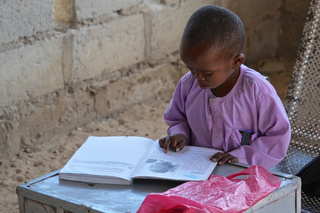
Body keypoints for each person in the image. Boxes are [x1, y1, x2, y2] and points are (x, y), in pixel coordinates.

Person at [158, 5, 291, 170]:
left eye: (207, 72)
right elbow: (177, 118)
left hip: (243, 172)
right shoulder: (188, 84)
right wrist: (179, 134)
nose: (197, 77)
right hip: (195, 170)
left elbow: (277, 137)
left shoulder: (257, 91)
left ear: (236, 62)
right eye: (191, 68)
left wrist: (240, 157)